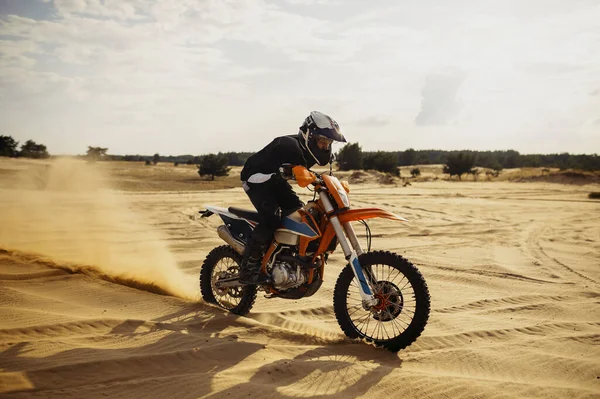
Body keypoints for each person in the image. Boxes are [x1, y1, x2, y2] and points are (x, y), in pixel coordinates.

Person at [238, 111, 346, 285]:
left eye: (328, 143)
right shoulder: (288, 145)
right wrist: (290, 171)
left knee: (299, 212)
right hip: (256, 178)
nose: (325, 147)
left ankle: (282, 255)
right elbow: (288, 169)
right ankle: (248, 269)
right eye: (322, 141)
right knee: (272, 217)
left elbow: (300, 173)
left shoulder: (310, 152)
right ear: (309, 136)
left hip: (276, 181)